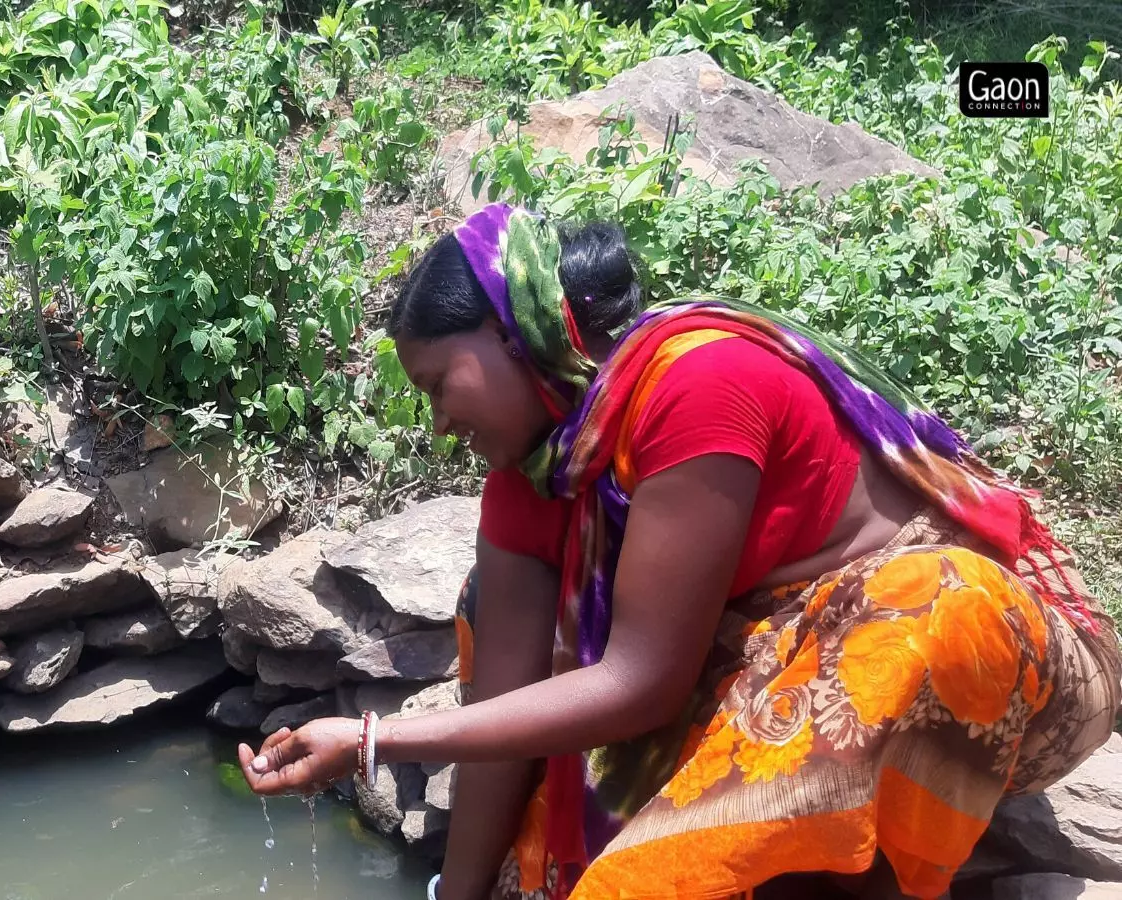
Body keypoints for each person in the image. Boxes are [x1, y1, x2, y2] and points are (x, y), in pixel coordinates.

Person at [236, 203, 1121, 900]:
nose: (437, 423)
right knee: (497, 625)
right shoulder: (530, 479)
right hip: (769, 675)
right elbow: (505, 706)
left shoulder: (698, 380)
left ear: (520, 334)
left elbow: (640, 682)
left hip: (993, 688)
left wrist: (371, 740)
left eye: (437, 386)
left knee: (924, 606)